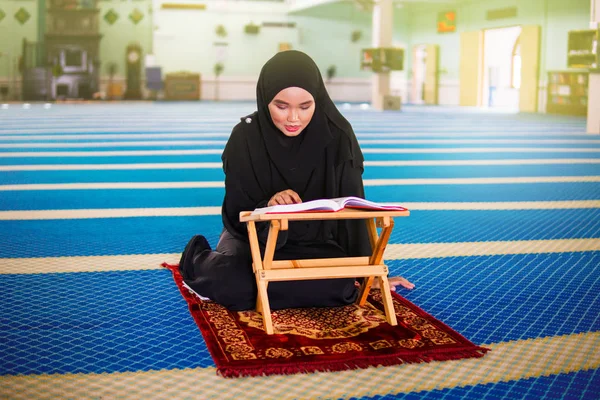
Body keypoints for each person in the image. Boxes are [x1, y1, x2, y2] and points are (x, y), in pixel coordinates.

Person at [179, 50, 413, 311]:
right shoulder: (244, 137)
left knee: (342, 286)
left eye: (305, 107)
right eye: (281, 106)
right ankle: (197, 258)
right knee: (230, 282)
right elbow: (235, 209)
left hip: (314, 243)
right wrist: (268, 204)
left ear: (318, 100)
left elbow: (354, 210)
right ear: (265, 98)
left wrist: (370, 273)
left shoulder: (337, 137)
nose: (294, 118)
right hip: (252, 240)